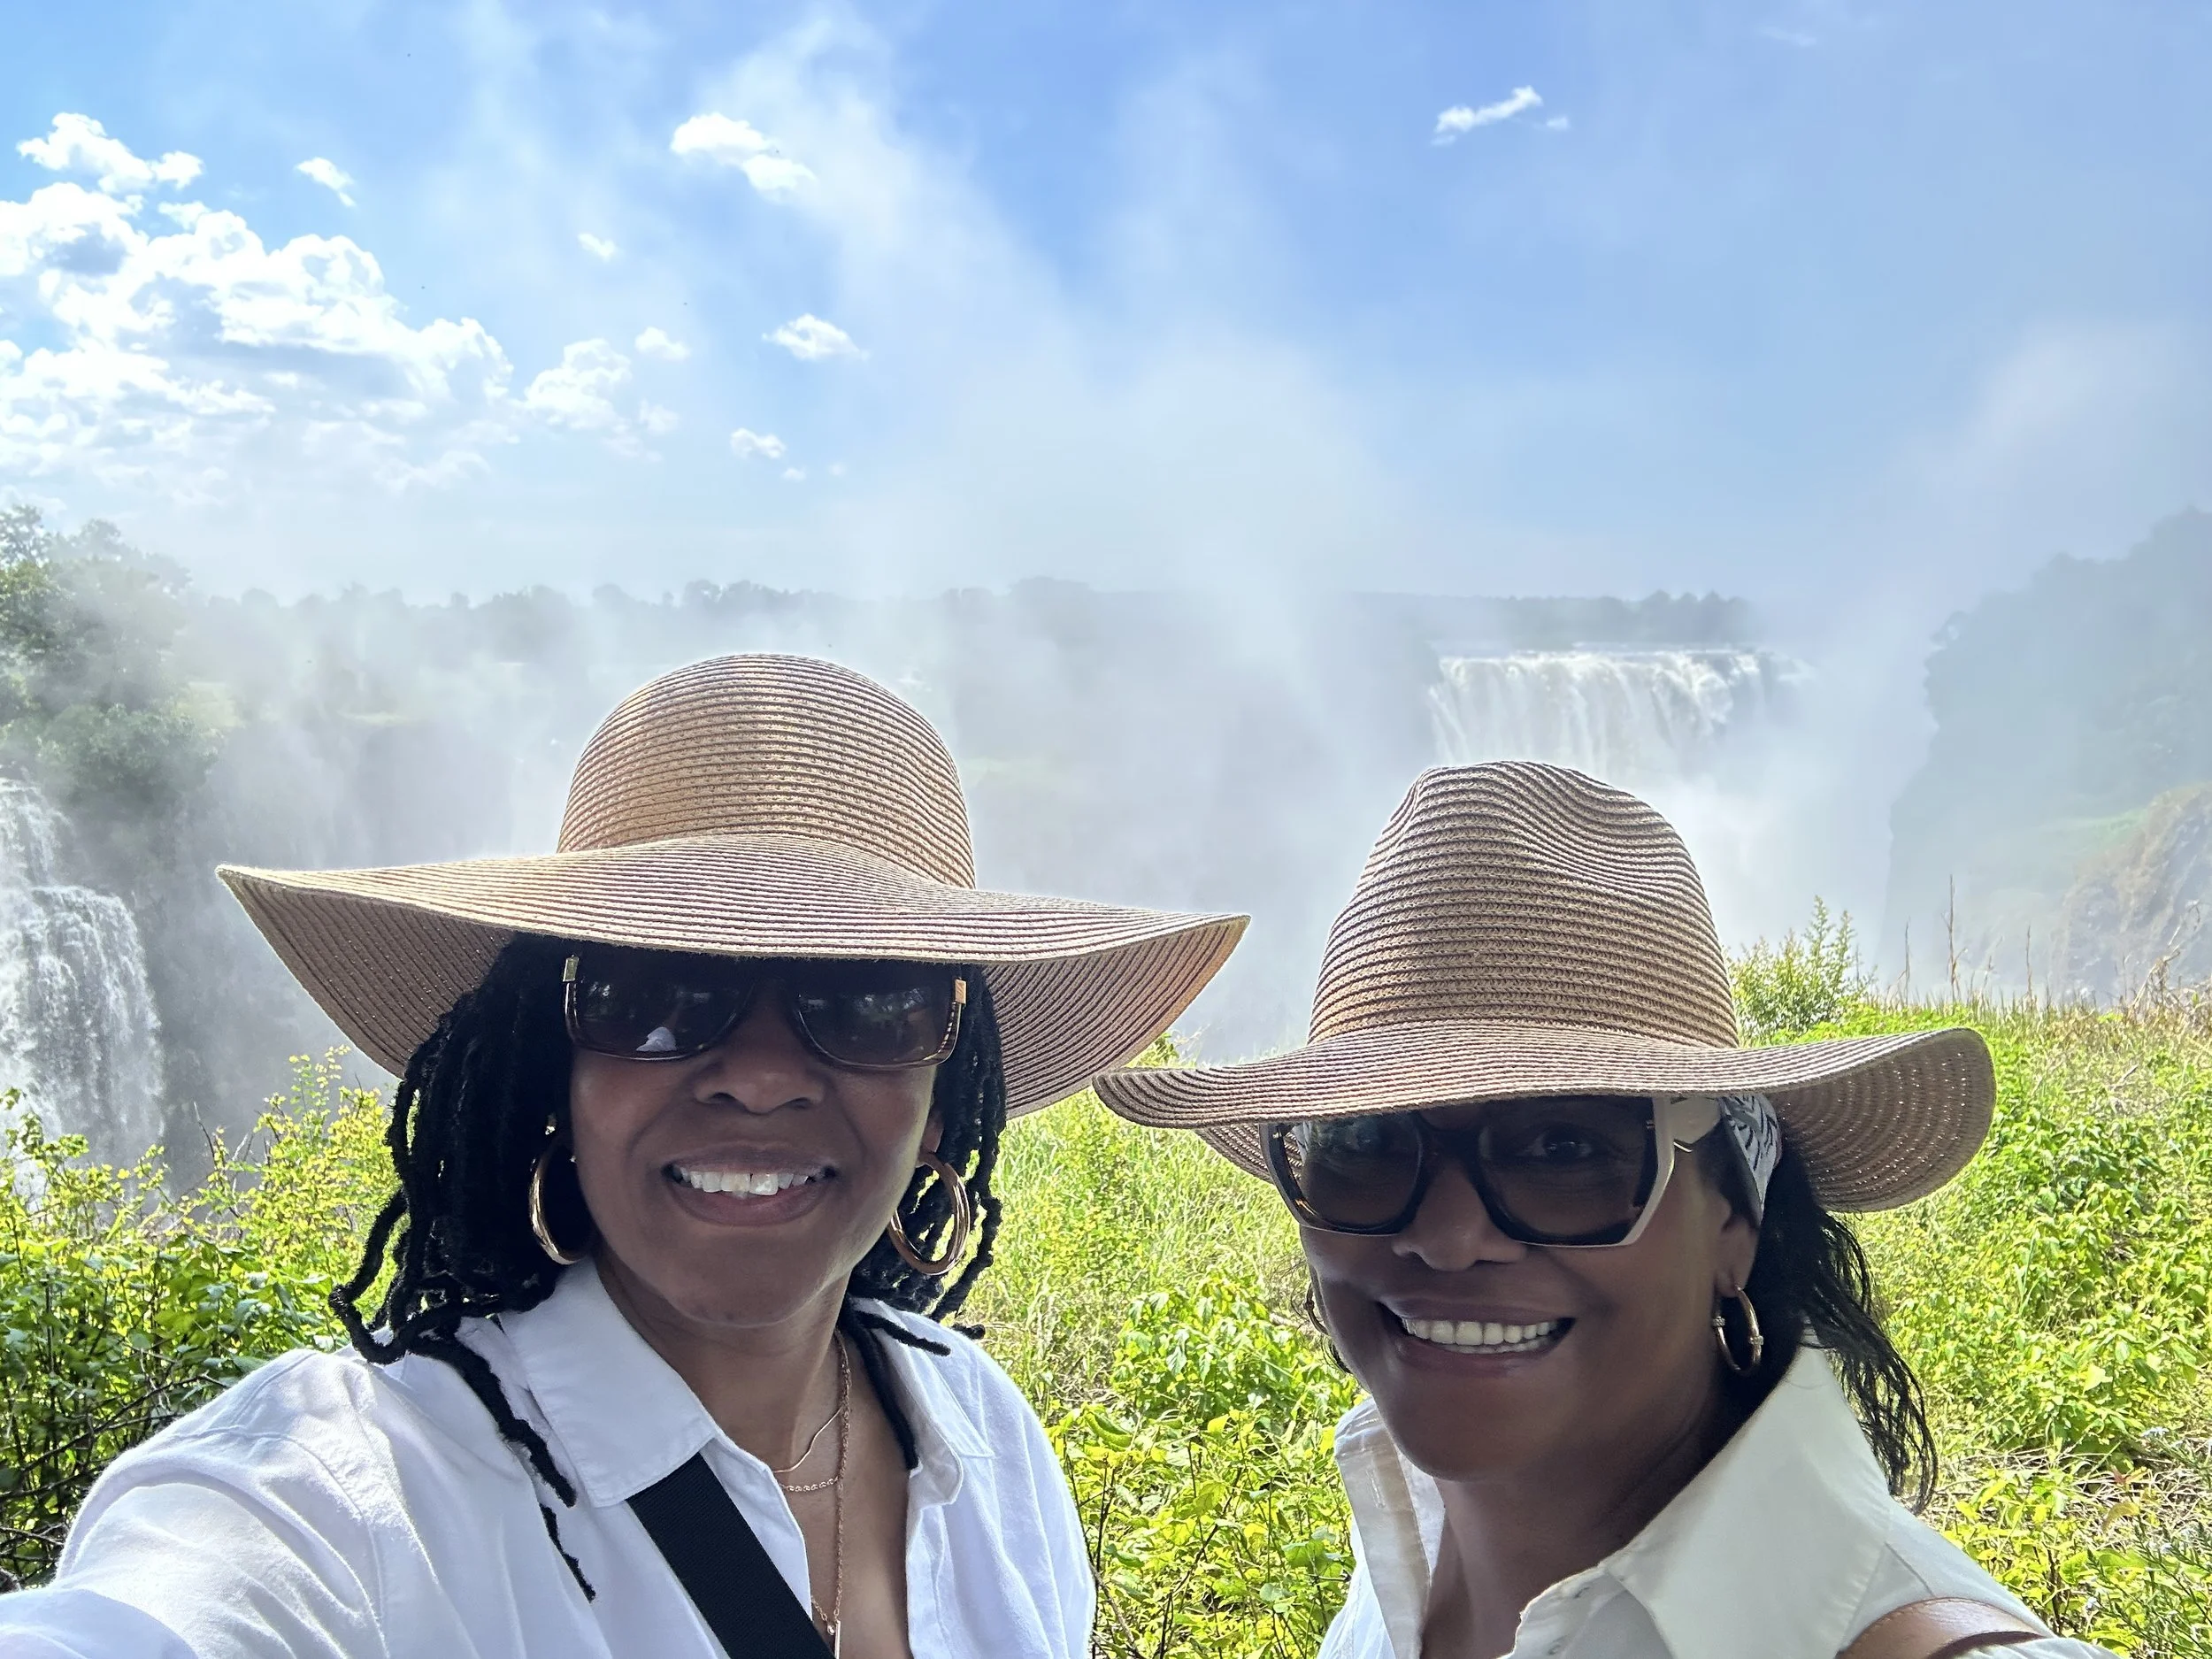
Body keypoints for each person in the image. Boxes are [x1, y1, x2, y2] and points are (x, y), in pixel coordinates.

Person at [0, 653, 1246, 1659]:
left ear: (941, 1088)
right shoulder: (356, 1500)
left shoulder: (983, 1438)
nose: (758, 1073)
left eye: (869, 998)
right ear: (557, 1067)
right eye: (655, 989)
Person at [1094, 762, 2113, 1659]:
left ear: (1731, 1220)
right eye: (1365, 1144)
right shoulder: (1416, 1556)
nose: (1447, 1239)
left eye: (1565, 1150)